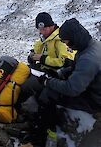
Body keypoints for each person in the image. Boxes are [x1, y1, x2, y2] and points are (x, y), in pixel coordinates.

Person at [28, 18, 101, 146]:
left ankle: (47, 134)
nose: (67, 46)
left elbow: (72, 89)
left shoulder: (88, 59)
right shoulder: (92, 46)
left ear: (74, 38)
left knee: (48, 95)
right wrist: (62, 73)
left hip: (94, 99)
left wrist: (48, 82)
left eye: (67, 42)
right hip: (93, 88)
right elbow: (77, 66)